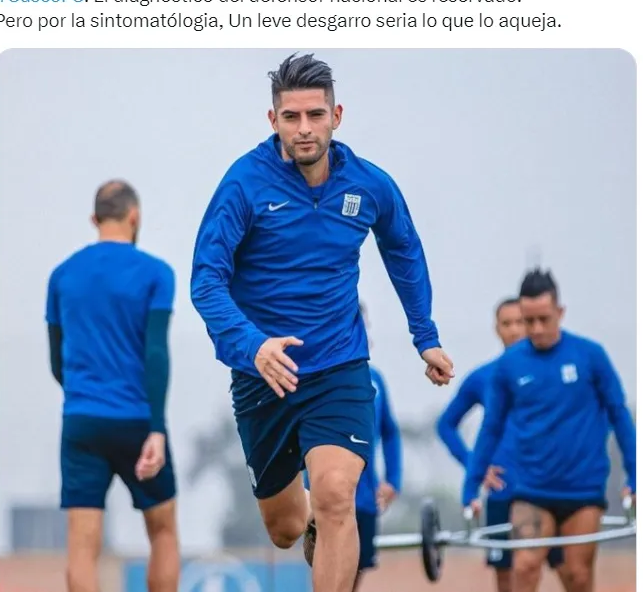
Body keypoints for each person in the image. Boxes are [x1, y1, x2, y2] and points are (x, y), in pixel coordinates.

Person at [190, 53, 454, 592]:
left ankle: (325, 515)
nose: (304, 128)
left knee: (338, 496)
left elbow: (403, 249)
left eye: (315, 114)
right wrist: (252, 345)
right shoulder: (244, 184)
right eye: (291, 117)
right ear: (274, 121)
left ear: (337, 115)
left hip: (339, 366)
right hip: (265, 374)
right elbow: (206, 280)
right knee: (285, 528)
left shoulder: (369, 185)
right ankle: (305, 511)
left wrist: (424, 336)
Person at [463, 269, 636, 592]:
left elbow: (619, 415)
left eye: (544, 319)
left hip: (582, 489)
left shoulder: (590, 356)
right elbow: (491, 428)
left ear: (560, 312)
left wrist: (635, 473)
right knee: (524, 567)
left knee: (577, 576)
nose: (536, 329)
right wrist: (471, 485)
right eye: (529, 321)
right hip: (530, 488)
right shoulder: (509, 365)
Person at [45, 180, 180, 592]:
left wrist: (85, 395)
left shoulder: (62, 276)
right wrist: (156, 428)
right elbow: (155, 353)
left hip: (81, 421)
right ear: (134, 216)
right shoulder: (157, 274)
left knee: (82, 545)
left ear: (94, 219)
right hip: (137, 420)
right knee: (162, 531)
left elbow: (57, 362)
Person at [437, 298, 565, 592]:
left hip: (550, 488)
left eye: (521, 322)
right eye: (507, 323)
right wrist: (476, 467)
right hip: (503, 492)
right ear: (497, 329)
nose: (515, 330)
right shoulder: (484, 376)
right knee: (506, 577)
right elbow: (446, 425)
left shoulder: (555, 370)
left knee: (569, 570)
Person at [303, 303, 403, 591]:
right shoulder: (311, 378)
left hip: (365, 500)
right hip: (323, 499)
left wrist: (393, 480)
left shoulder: (375, 379)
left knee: (352, 578)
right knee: (326, 573)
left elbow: (390, 432)